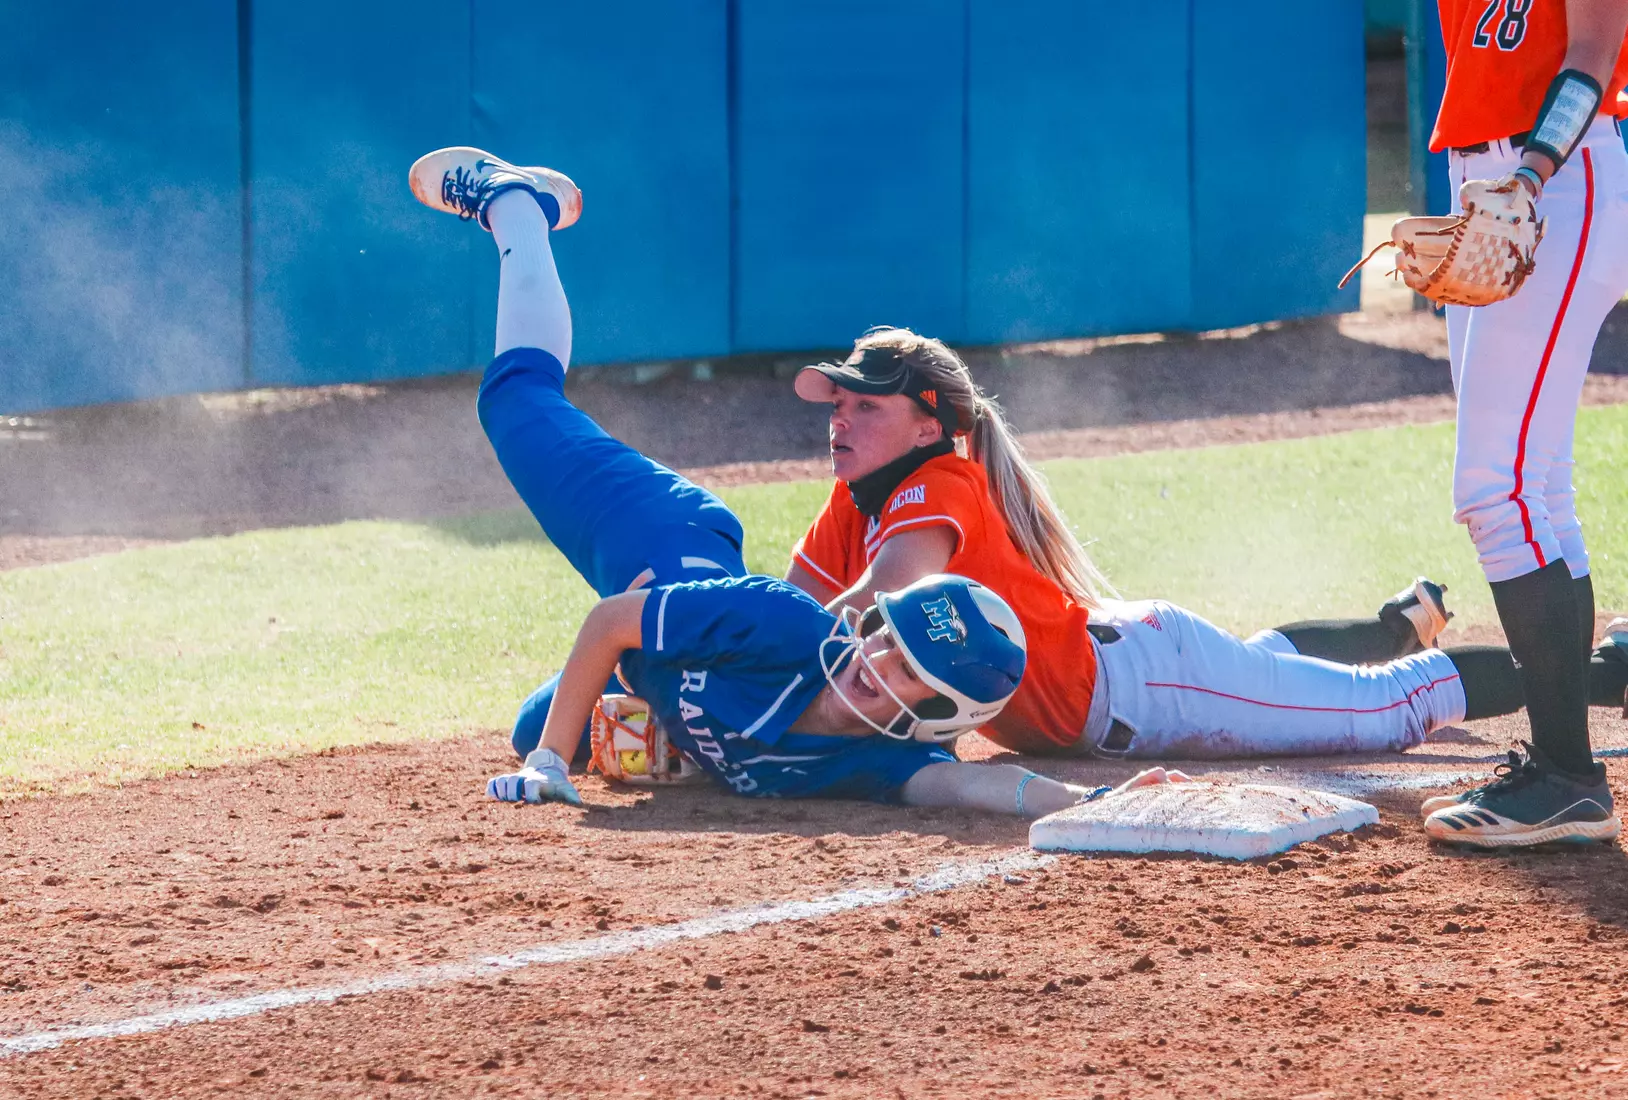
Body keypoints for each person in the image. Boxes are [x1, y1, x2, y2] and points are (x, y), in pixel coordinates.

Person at [407, 145, 1111, 819]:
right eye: (887, 642)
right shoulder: (790, 627)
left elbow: (972, 788)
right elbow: (616, 621)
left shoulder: (873, 760)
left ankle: (612, 707)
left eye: (907, 674)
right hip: (658, 539)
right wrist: (550, 767)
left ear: (931, 718)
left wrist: (1093, 803)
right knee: (517, 403)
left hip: (674, 647)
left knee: (536, 722)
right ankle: (515, 207)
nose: (879, 663)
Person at [785, 327, 1624, 771]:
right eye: (839, 403)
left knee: (1386, 711)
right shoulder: (849, 504)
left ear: (930, 424)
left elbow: (879, 602)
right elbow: (785, 611)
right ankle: (1400, 621)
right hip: (1141, 667)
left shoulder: (940, 483)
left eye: (866, 405)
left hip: (1151, 689)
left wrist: (753, 690)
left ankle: (1596, 675)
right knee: (1262, 666)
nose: (841, 418)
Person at [1411, 0, 1628, 845]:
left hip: (1554, 184)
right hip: (1490, 187)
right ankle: (1562, 771)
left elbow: (1598, 50)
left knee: (1495, 490)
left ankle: (1570, 775)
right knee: (1533, 489)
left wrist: (1531, 172)